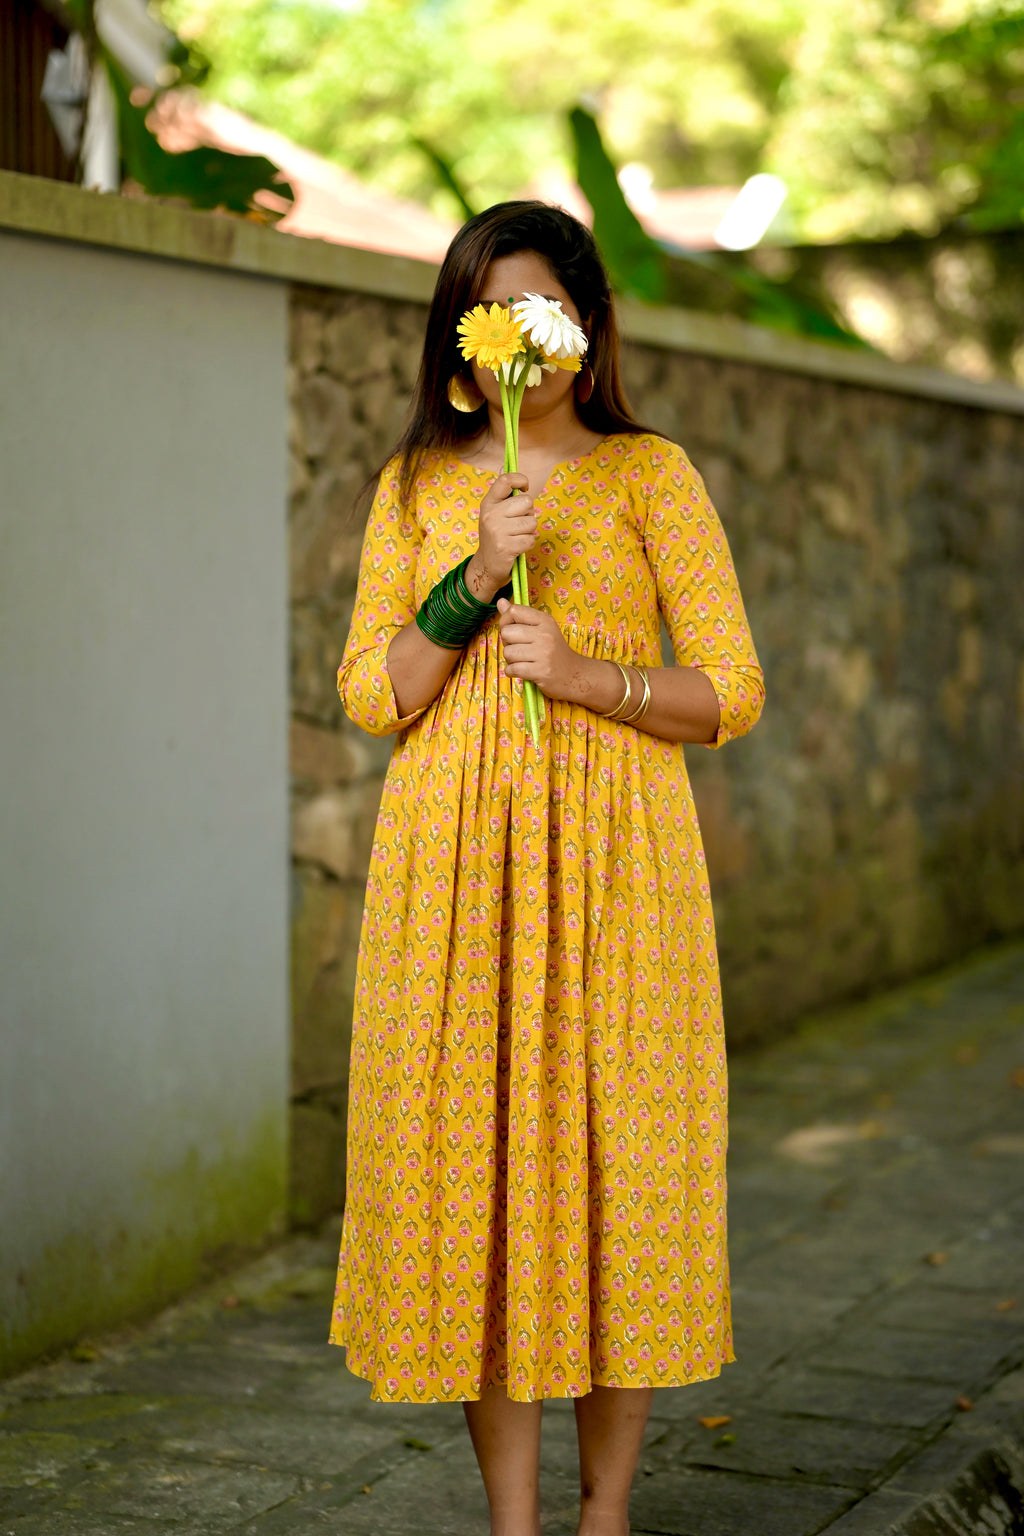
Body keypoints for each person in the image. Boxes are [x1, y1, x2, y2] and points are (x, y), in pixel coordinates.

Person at [329, 200, 765, 1536]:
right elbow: (369, 693)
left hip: (619, 878)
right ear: (461, 335)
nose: (521, 344)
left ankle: (606, 1514)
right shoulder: (415, 486)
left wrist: (582, 673)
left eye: (542, 314)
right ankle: (514, 1521)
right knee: (483, 1189)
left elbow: (731, 690)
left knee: (614, 1176)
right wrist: (473, 579)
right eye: (492, 312)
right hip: (455, 882)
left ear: (582, 326)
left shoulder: (653, 479)